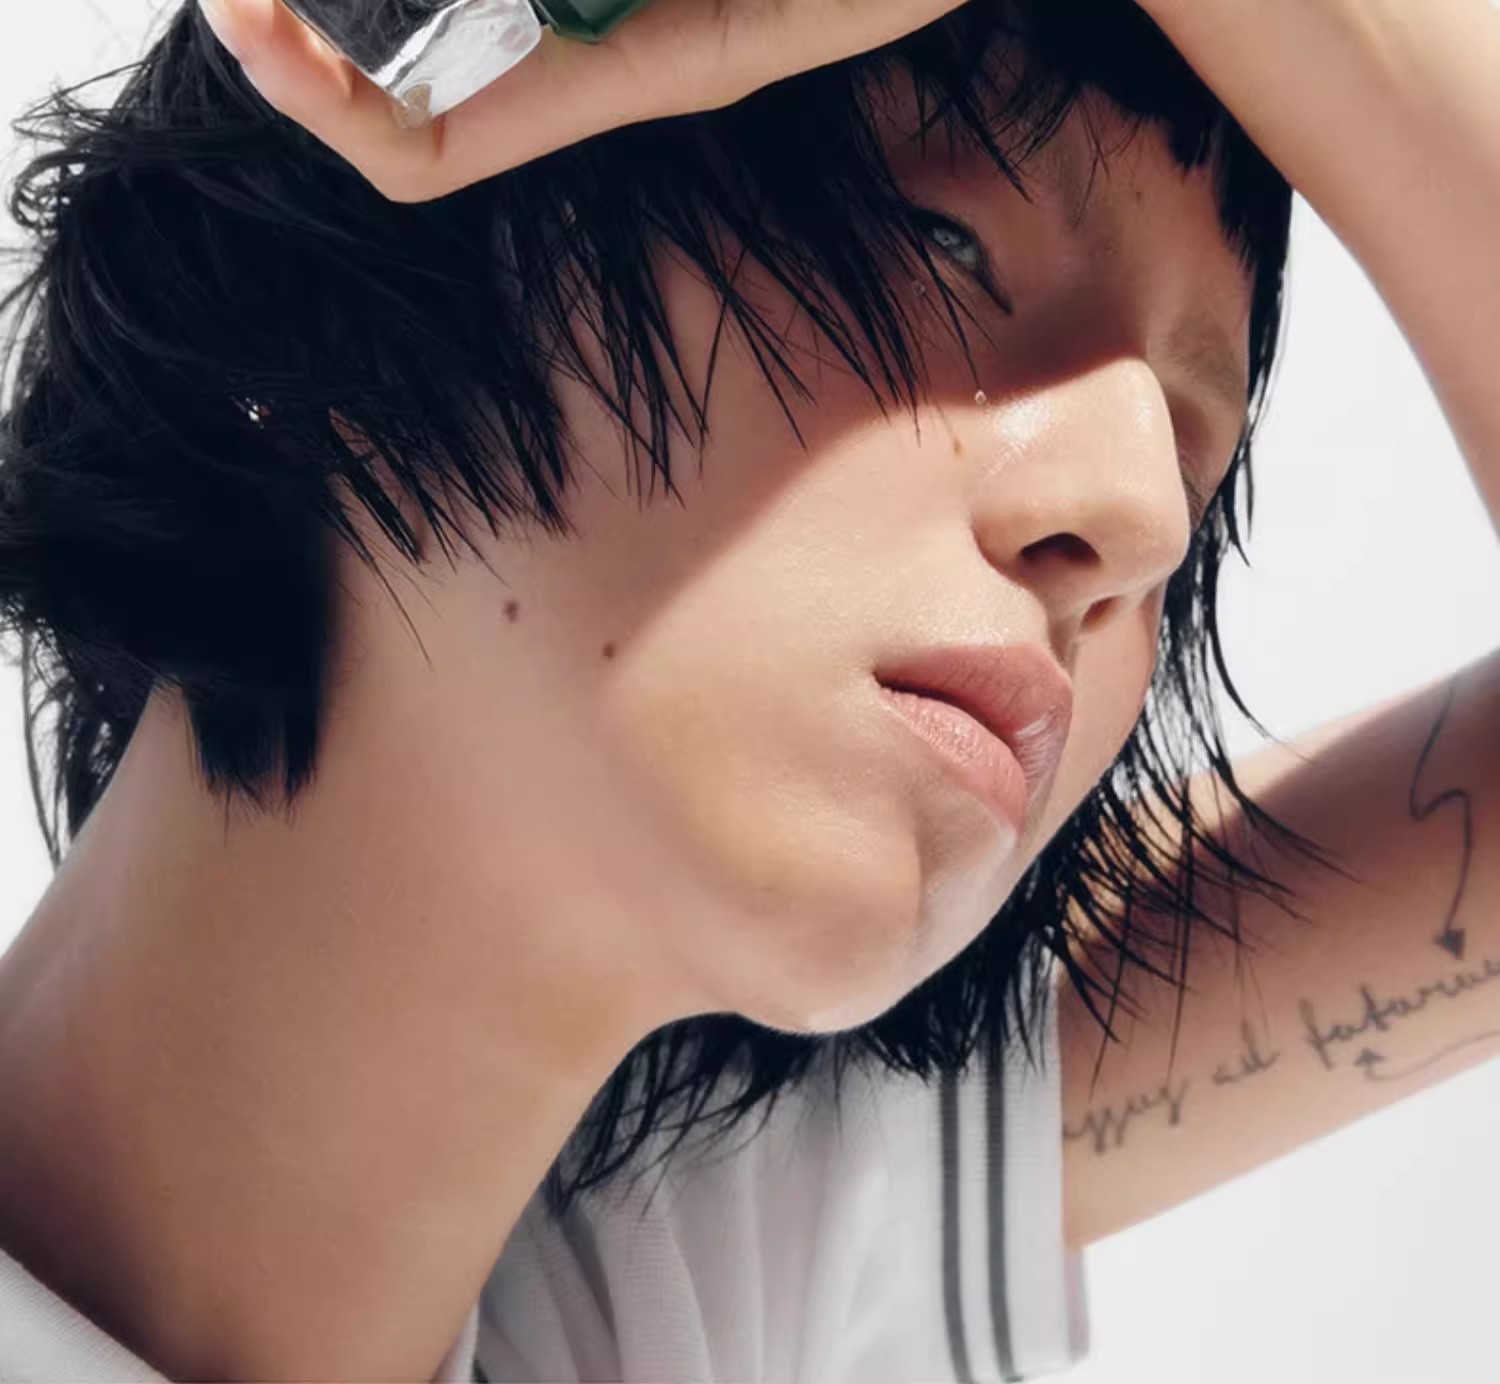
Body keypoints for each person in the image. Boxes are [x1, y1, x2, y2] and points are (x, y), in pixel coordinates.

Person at [0, 0, 1494, 1379]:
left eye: (1187, 445)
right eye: (942, 243)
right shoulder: (718, 1275)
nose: (1135, 515)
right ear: (328, 260)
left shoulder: (715, 1243)